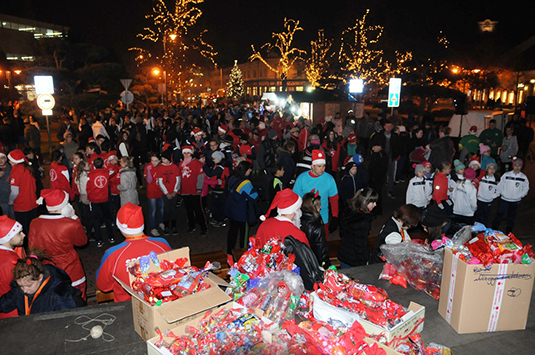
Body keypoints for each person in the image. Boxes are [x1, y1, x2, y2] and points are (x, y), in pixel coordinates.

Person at [96, 203, 171, 303]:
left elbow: (104, 286)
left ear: (120, 227)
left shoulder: (113, 254)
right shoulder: (162, 244)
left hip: (128, 308)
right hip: (161, 303)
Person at [29, 189, 88, 300]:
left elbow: (32, 247)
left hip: (47, 269)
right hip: (71, 267)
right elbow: (82, 241)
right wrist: (74, 218)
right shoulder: (70, 224)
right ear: (65, 206)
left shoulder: (34, 223)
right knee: (77, 297)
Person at [0, 249, 85, 316]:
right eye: (21, 286)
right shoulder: (20, 289)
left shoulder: (59, 294)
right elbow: (5, 303)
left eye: (29, 286)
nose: (24, 290)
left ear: (40, 277)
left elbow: (67, 319)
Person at [293, 150, 339, 235]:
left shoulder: (329, 179)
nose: (322, 169)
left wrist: (335, 216)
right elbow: (295, 199)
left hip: (323, 218)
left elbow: (334, 199)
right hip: (305, 219)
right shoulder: (302, 178)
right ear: (312, 166)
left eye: (324, 166)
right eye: (319, 166)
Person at [225, 161, 258, 264]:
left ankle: (229, 253)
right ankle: (242, 255)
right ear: (246, 170)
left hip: (231, 210)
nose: (251, 171)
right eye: (249, 169)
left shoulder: (233, 178)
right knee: (243, 235)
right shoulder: (245, 183)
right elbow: (254, 196)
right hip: (241, 213)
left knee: (232, 232)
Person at [338, 187, 378, 268]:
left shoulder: (348, 211)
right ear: (364, 201)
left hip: (344, 254)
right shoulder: (363, 222)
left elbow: (342, 233)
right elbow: (360, 246)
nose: (375, 204)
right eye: (372, 202)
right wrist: (365, 262)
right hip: (354, 261)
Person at [492, 158, 529, 234]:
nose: (517, 167)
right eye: (515, 165)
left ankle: (509, 228)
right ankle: (495, 226)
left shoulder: (523, 177)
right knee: (500, 213)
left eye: (519, 165)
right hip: (504, 199)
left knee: (512, 215)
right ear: (513, 166)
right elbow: (501, 185)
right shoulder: (506, 175)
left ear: (521, 166)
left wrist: (520, 195)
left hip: (516, 200)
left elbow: (526, 188)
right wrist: (502, 193)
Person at [8, 149, 38, 240]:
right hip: (32, 203)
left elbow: (15, 191)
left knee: (23, 232)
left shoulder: (16, 171)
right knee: (32, 230)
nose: (9, 161)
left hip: (21, 206)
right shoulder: (28, 169)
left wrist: (10, 200)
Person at [178, 146, 207, 236]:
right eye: (185, 153)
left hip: (194, 190)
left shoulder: (196, 163)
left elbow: (200, 176)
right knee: (188, 210)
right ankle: (191, 226)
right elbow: (179, 176)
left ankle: (204, 228)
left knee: (198, 210)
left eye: (188, 153)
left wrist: (199, 188)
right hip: (185, 190)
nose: (186, 155)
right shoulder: (181, 163)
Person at [0, 216, 25, 319]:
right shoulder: (9, 262)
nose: (24, 235)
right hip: (12, 311)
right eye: (19, 233)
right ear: (8, 237)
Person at [87, 157, 115, 247]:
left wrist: (90, 198)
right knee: (107, 218)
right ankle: (111, 237)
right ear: (103, 165)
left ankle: (99, 240)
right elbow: (115, 171)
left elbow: (88, 188)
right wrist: (111, 163)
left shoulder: (90, 175)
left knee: (96, 220)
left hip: (95, 200)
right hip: (105, 199)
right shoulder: (106, 172)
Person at [300, 191, 331, 268]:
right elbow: (321, 251)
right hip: (315, 263)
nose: (320, 207)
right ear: (314, 207)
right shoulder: (317, 227)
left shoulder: (299, 219)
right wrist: (327, 266)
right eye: (319, 205)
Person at [144, 153, 164, 237]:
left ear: (159, 160)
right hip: (152, 192)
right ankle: (153, 228)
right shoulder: (148, 167)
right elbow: (148, 180)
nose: (153, 162)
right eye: (152, 160)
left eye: (155, 161)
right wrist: (148, 171)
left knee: (161, 208)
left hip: (161, 191)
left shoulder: (161, 167)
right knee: (152, 210)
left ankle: (161, 222)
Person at [475, 162, 499, 226]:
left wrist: (492, 196)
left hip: (489, 201)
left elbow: (498, 190)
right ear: (486, 169)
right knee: (478, 216)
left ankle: (484, 229)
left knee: (486, 216)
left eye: (493, 168)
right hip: (480, 200)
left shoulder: (495, 180)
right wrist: (478, 194)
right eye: (490, 168)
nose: (492, 170)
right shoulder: (482, 178)